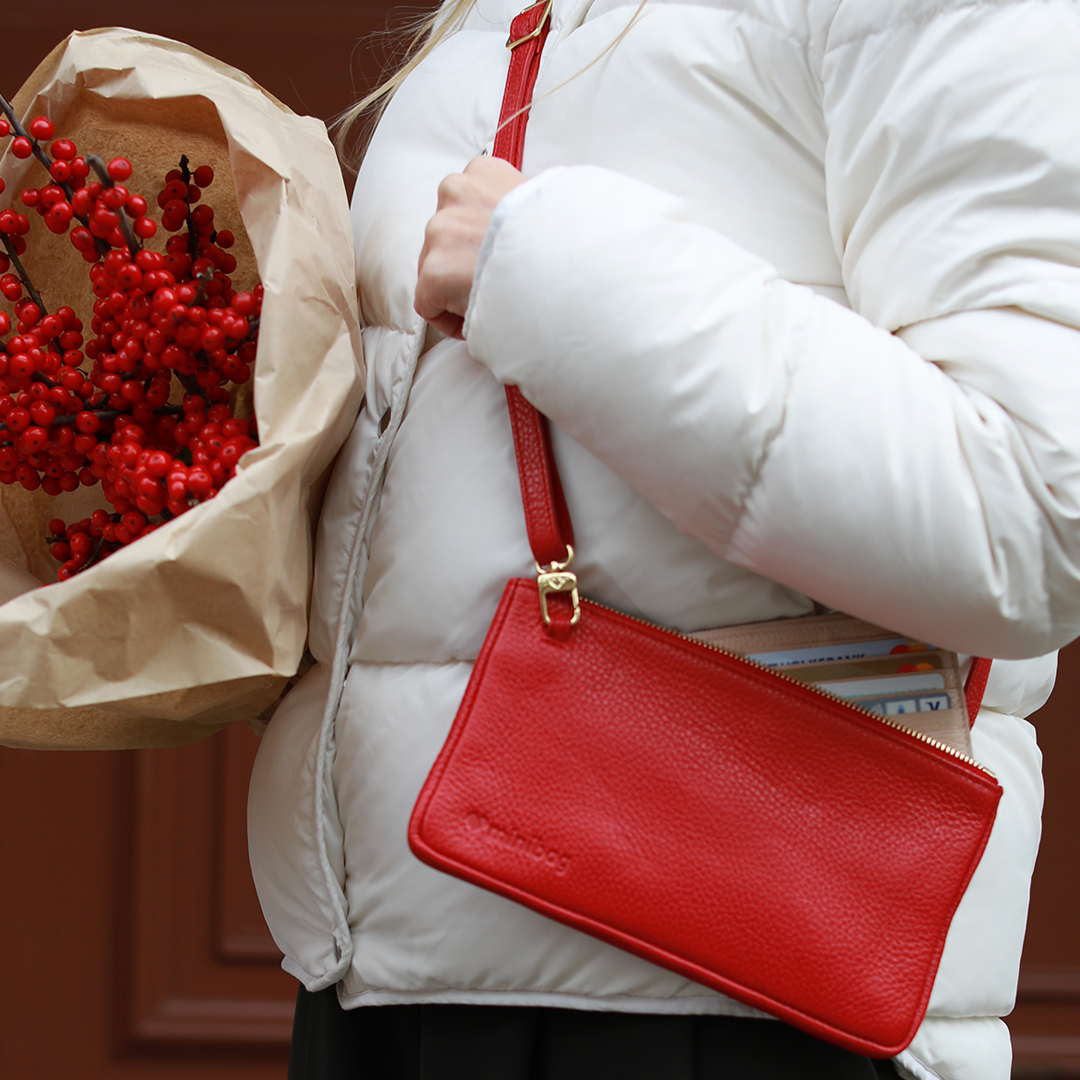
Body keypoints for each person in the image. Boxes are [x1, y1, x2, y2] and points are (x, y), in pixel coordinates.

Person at [248, 0, 1079, 1077]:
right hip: (400, 977)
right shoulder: (499, 18)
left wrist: (547, 269)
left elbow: (1030, 509)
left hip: (730, 997)